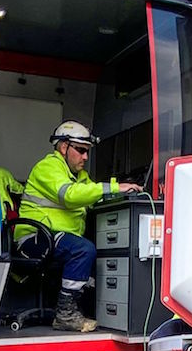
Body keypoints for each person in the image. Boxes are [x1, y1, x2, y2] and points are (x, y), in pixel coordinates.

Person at [15, 121, 142, 332]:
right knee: (83, 249)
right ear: (64, 147)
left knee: (95, 249)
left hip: (57, 238)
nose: (85, 157)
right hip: (34, 237)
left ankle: (77, 307)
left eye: (87, 152)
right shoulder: (48, 167)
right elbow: (71, 196)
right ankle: (66, 314)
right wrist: (113, 186)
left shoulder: (79, 176)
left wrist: (119, 193)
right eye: (81, 150)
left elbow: (90, 196)